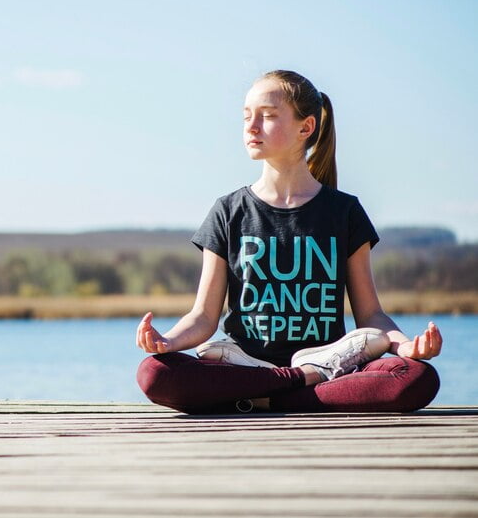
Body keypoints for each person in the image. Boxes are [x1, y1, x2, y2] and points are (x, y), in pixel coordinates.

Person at [135, 70, 442, 414]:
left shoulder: (344, 211)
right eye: (246, 116)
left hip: (333, 364)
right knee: (154, 372)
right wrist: (167, 341)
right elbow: (204, 317)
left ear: (305, 127)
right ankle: (298, 382)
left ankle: (266, 394)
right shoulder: (228, 211)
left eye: (266, 116)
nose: (251, 127)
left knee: (415, 377)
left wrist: (404, 347)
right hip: (243, 364)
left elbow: (370, 314)